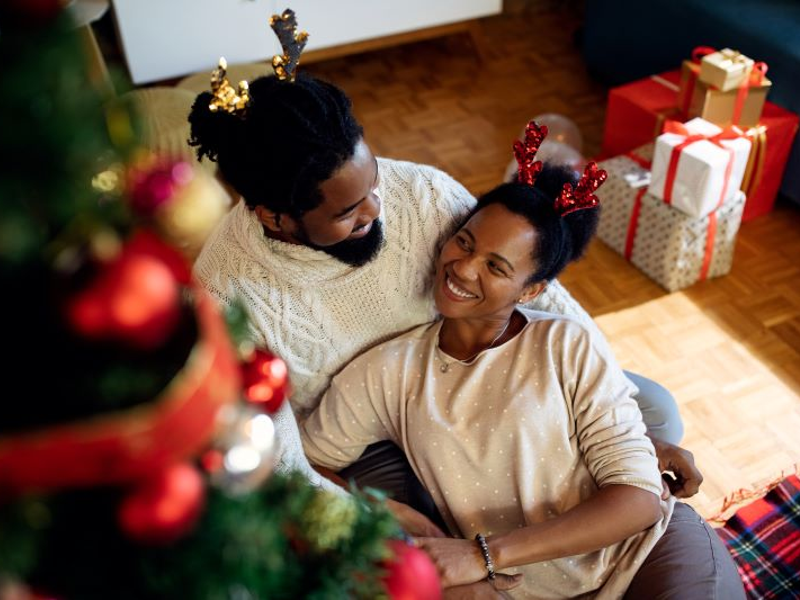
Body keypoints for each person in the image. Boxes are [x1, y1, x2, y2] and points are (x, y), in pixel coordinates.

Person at [188, 55, 699, 514]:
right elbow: (278, 457)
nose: (376, 210)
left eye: (373, 184)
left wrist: (631, 429)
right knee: (453, 519)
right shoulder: (226, 294)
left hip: (468, 369)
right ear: (275, 218)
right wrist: (373, 516)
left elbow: (536, 287)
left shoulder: (420, 192)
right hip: (355, 441)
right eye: (348, 211)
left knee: (652, 411)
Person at [300, 153, 745, 599]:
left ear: (532, 290)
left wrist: (481, 555)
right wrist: (382, 511)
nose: (464, 268)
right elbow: (304, 463)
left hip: (645, 554)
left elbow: (639, 499)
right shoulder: (385, 372)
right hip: (516, 591)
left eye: (496, 267)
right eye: (465, 243)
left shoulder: (566, 343)